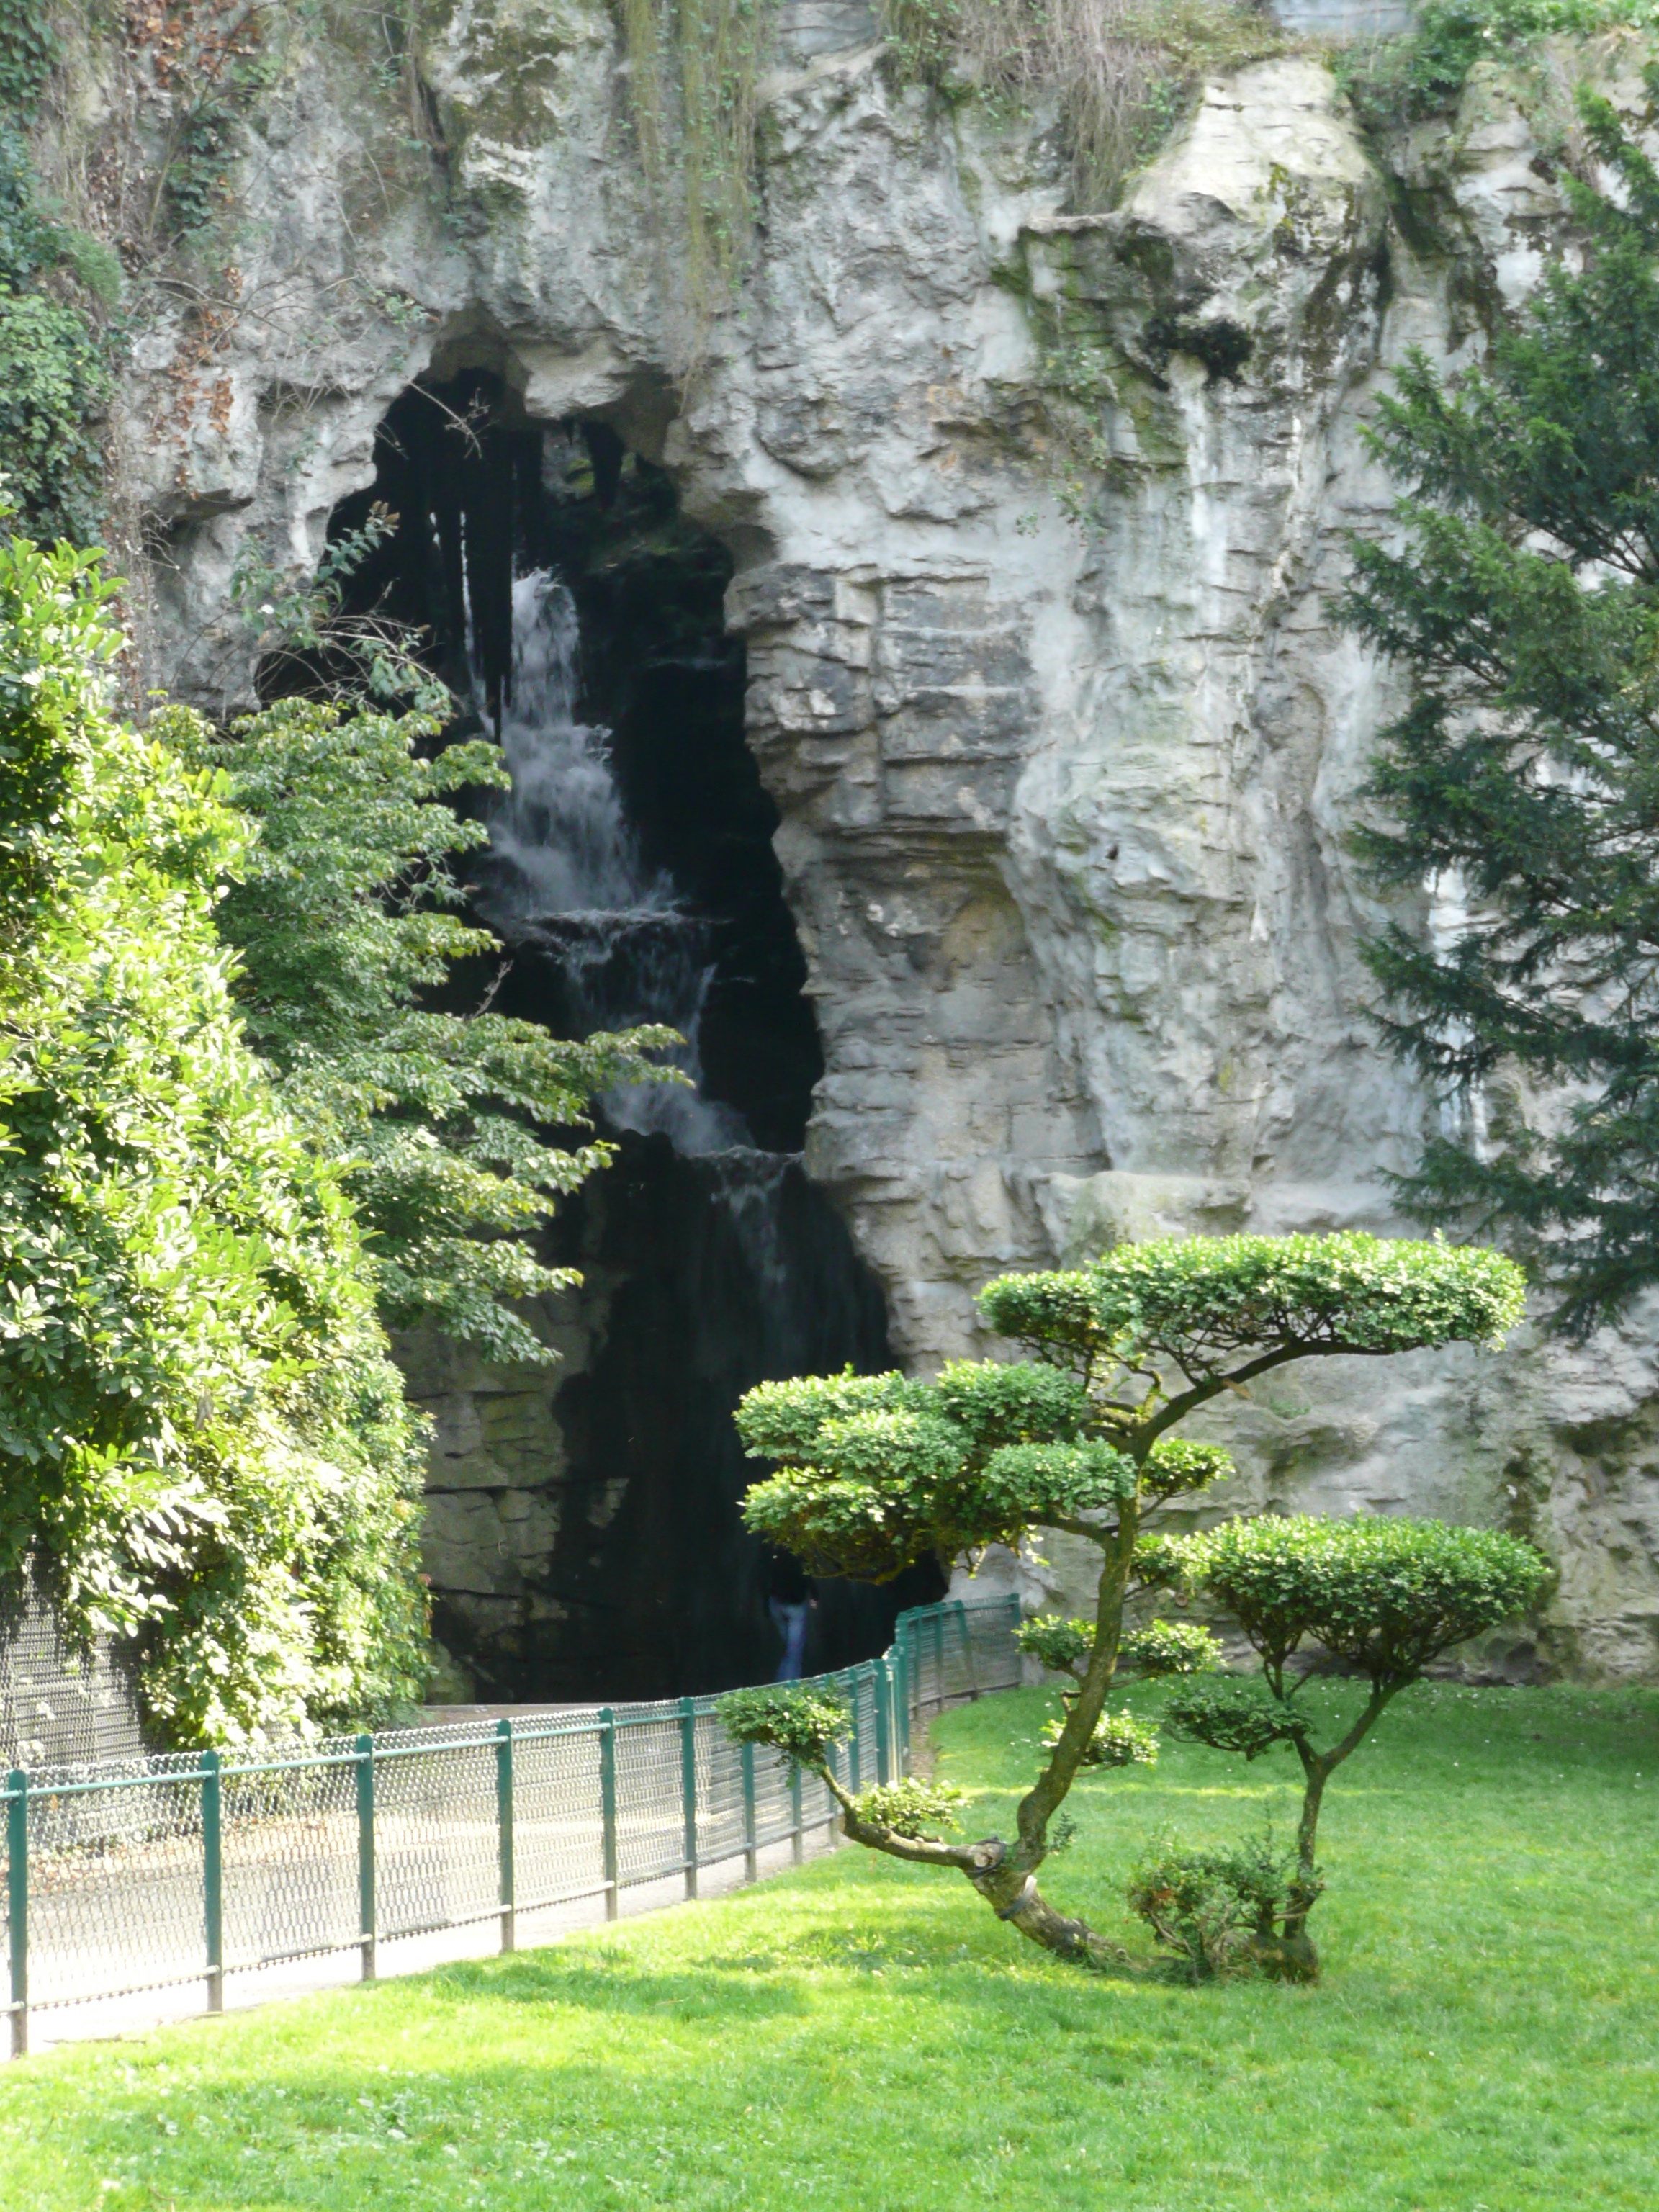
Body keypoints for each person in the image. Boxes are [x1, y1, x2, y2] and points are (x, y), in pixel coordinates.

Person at [767, 1551, 814, 1681]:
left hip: (777, 1602)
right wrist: (815, 1595)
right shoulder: (800, 1553)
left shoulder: (775, 1553)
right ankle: (789, 1683)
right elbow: (808, 1574)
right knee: (794, 1648)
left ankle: (783, 1681)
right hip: (795, 1604)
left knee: (788, 1646)